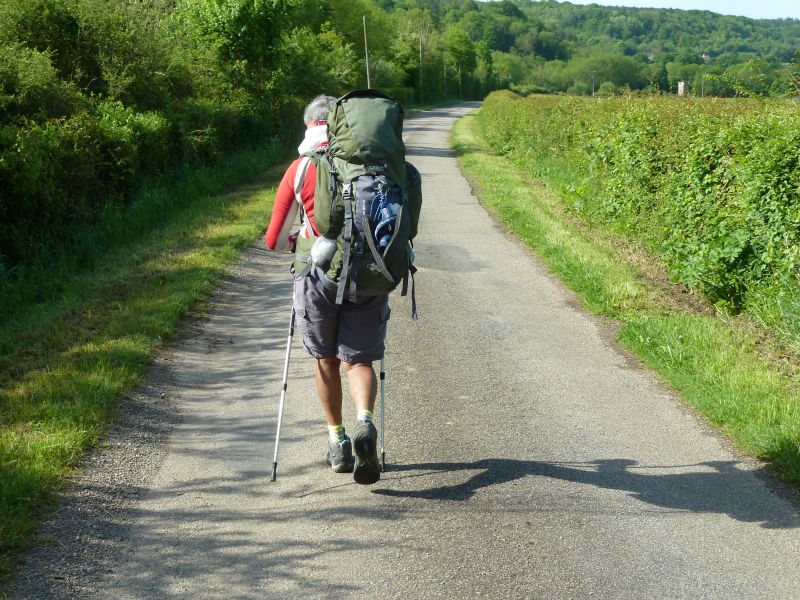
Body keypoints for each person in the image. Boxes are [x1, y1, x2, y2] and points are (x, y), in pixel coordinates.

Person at [265, 95, 388, 485]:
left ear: (309, 126)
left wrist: (294, 238)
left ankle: (338, 441)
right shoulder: (372, 164)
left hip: (317, 278)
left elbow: (271, 239)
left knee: (326, 359)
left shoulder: (301, 168)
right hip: (367, 275)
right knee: (360, 360)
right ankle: (364, 422)